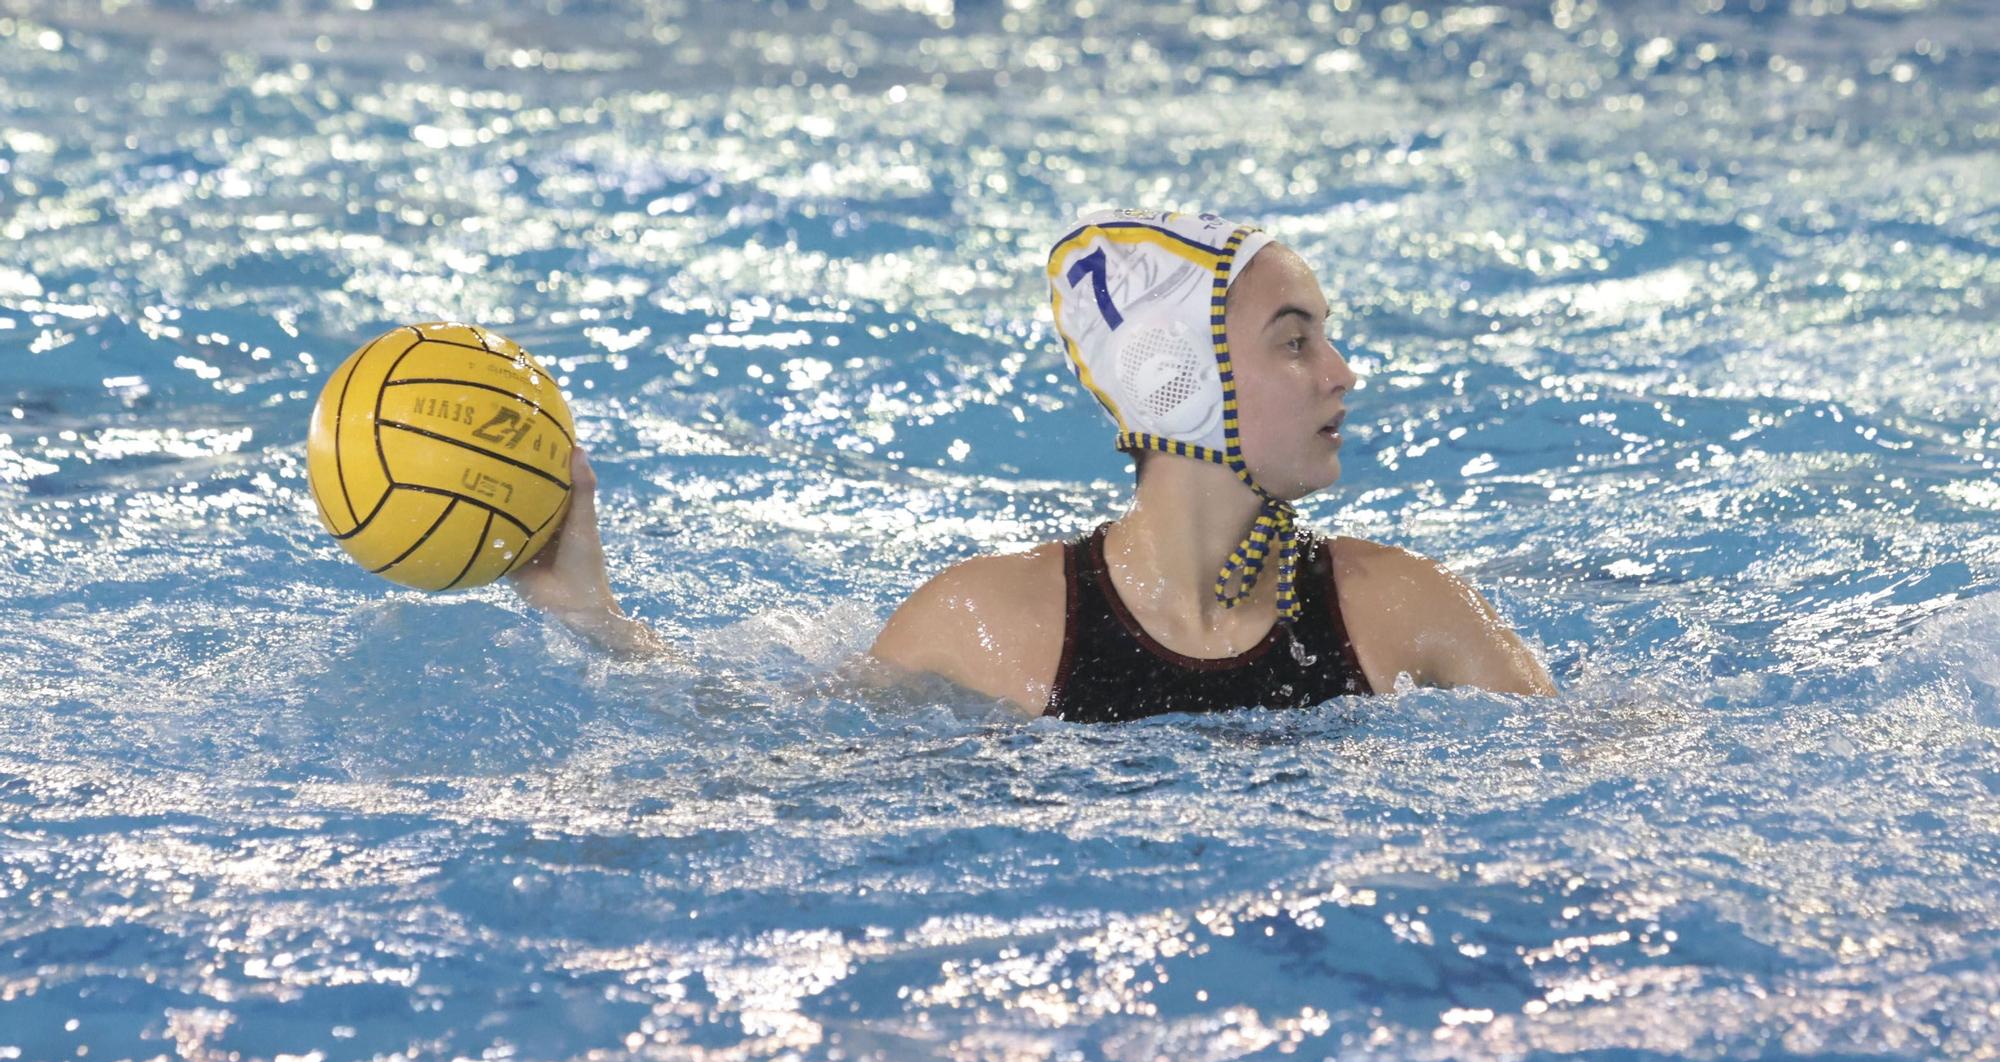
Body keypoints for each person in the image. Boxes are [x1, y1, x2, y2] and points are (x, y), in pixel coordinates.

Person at [513, 208, 1554, 718]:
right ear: (1178, 383)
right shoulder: (989, 625)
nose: (1341, 372)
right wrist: (586, 615)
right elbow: (759, 753)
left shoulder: (1405, 609)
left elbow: (1596, 748)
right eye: (1294, 340)